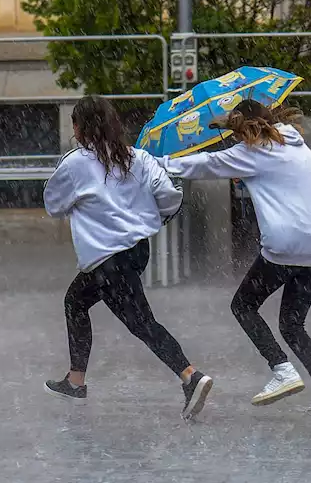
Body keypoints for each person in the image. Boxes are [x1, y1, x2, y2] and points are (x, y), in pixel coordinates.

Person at [160, 99, 311, 417]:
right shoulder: (295, 144)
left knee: (243, 306)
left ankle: (282, 371)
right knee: (292, 324)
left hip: (286, 243)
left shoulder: (252, 152)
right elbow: (275, 180)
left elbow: (203, 165)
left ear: (243, 129)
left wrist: (158, 163)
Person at [42, 95, 213, 421]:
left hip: (108, 258)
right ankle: (75, 380)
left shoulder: (76, 162)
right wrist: (143, 216)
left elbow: (53, 204)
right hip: (135, 252)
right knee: (75, 301)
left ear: (78, 128)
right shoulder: (139, 158)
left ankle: (190, 375)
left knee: (142, 323)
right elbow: (169, 196)